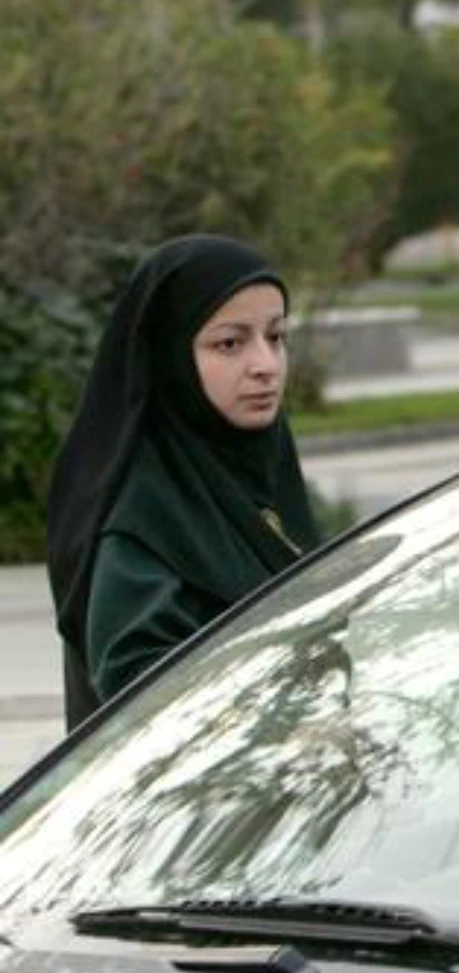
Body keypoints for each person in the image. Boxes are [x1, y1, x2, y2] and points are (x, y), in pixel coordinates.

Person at [44, 235, 317, 728]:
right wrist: (287, 728)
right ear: (170, 355)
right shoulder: (140, 518)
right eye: (229, 343)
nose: (264, 365)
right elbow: (144, 694)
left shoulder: (257, 468)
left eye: (275, 337)